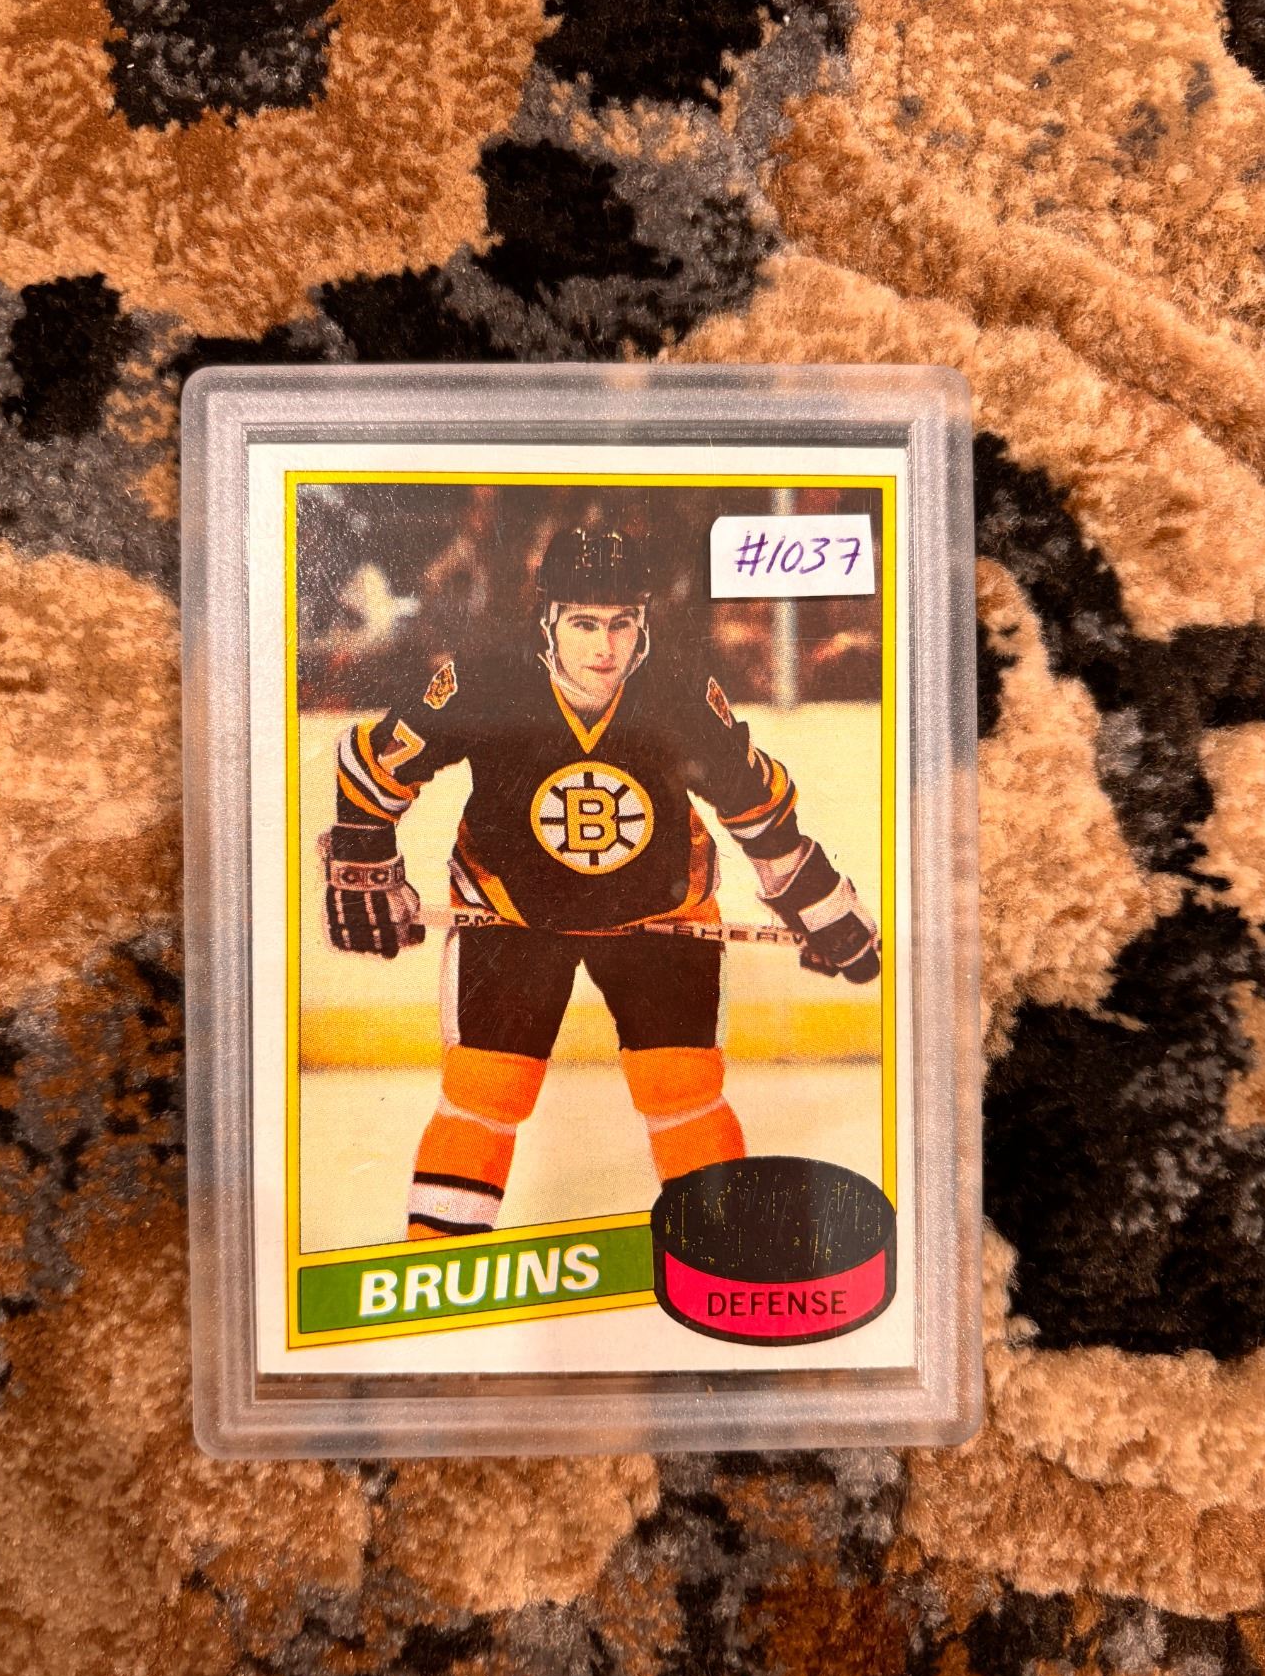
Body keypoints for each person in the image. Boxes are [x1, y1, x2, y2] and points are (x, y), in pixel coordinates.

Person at [323, 527, 879, 1242]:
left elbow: (753, 800)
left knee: (683, 1091)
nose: (605, 647)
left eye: (622, 623)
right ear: (547, 620)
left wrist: (820, 902)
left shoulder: (677, 690)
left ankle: (720, 1255)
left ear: (643, 622)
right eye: (584, 623)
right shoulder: (486, 680)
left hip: (662, 913)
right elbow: (375, 768)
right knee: (485, 1092)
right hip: (510, 914)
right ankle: (437, 1259)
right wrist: (363, 864)